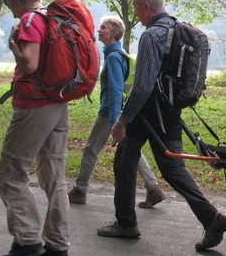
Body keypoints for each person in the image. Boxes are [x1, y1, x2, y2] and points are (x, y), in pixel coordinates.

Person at [98, 0, 226, 251]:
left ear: (146, 7)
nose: (135, 14)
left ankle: (126, 222)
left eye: (136, 8)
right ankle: (210, 218)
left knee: (127, 162)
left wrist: (122, 119)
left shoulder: (151, 36)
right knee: (168, 168)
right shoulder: (176, 29)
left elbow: (144, 84)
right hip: (170, 111)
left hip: (148, 112)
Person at [0, 0, 70, 256]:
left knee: (10, 171)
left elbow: (30, 63)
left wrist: (15, 43)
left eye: (11, 6)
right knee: (54, 177)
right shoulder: (53, 19)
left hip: (35, 106)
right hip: (58, 102)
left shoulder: (30, 20)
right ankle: (57, 246)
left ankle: (27, 239)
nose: (12, 13)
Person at [67, 16, 165, 208]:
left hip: (109, 113)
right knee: (129, 148)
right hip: (119, 112)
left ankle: (79, 190)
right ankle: (153, 188)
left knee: (90, 150)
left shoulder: (113, 57)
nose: (99, 30)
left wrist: (114, 121)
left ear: (114, 33)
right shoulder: (120, 55)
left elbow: (115, 90)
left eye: (103, 28)